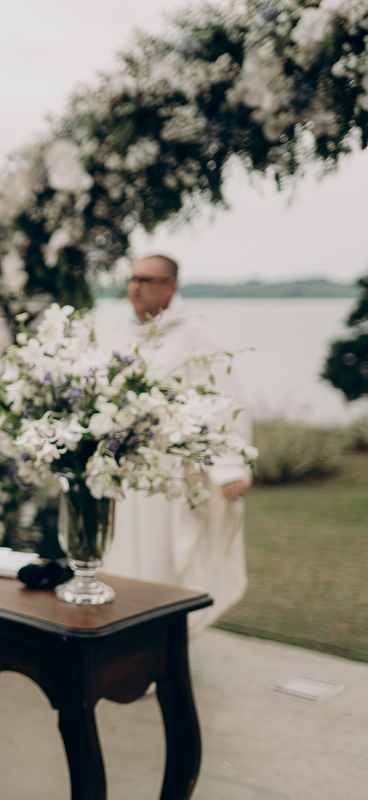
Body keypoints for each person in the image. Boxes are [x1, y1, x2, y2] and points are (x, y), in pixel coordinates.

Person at [104, 254, 253, 637]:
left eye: (147, 279)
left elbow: (224, 399)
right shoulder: (121, 333)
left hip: (170, 476)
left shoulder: (194, 334)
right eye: (133, 278)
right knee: (122, 559)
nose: (135, 287)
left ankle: (161, 649)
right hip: (130, 472)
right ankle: (125, 645)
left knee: (162, 559)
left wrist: (229, 465)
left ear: (170, 285)